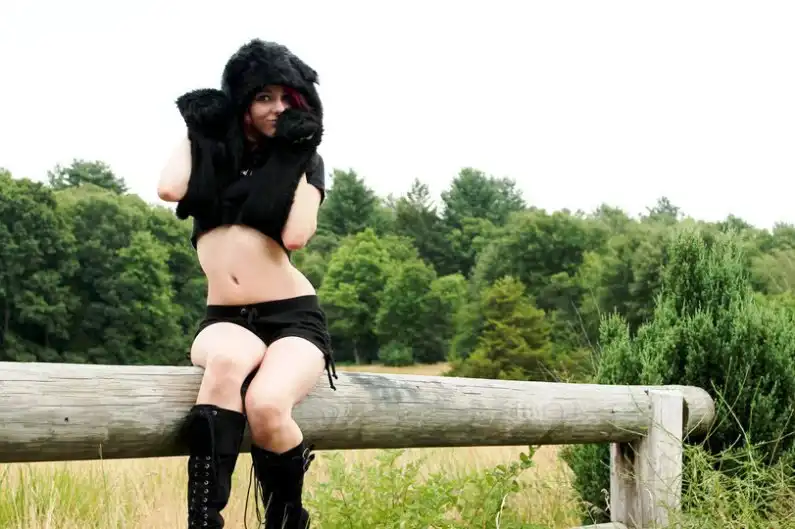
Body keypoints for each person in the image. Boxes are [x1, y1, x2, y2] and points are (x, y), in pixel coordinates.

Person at [156, 38, 337, 529]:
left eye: (287, 99)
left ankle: (286, 519)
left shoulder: (305, 161)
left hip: (292, 316)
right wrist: (198, 127)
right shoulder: (211, 152)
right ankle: (204, 521)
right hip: (225, 316)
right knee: (228, 361)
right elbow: (169, 188)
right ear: (242, 102)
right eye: (263, 97)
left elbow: (296, 236)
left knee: (267, 405)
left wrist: (297, 154)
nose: (277, 108)